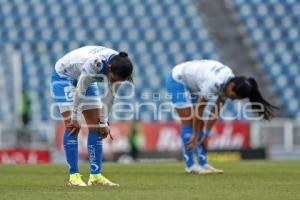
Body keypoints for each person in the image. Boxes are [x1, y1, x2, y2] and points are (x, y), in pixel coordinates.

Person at [166, 60, 277, 174]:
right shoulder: (215, 82)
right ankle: (190, 166)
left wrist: (207, 134)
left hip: (193, 82)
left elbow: (215, 111)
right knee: (188, 121)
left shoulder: (229, 83)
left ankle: (203, 163)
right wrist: (194, 136)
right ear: (232, 86)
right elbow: (200, 110)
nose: (232, 99)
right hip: (177, 79)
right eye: (233, 96)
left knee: (200, 123)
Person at [51, 46, 133, 186]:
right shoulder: (96, 63)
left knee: (97, 127)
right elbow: (80, 89)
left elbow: (110, 97)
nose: (114, 82)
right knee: (73, 126)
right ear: (109, 67)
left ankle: (95, 176)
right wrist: (75, 117)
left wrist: (104, 123)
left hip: (85, 78)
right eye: (113, 78)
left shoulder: (121, 68)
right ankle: (74, 177)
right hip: (65, 76)